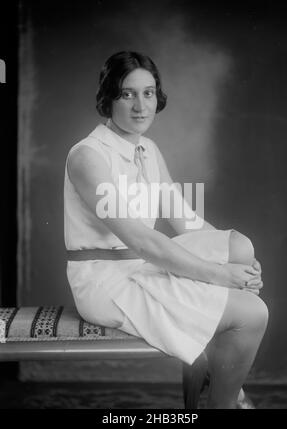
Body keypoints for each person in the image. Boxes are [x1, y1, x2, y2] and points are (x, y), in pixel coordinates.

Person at [64, 51, 268, 409]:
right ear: (109, 96)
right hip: (107, 282)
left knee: (240, 246)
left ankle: (206, 372)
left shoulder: (148, 149)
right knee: (253, 313)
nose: (141, 106)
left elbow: (185, 219)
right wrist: (220, 275)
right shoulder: (88, 156)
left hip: (142, 265)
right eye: (127, 93)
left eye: (148, 93)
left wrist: (241, 268)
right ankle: (224, 401)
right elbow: (141, 240)